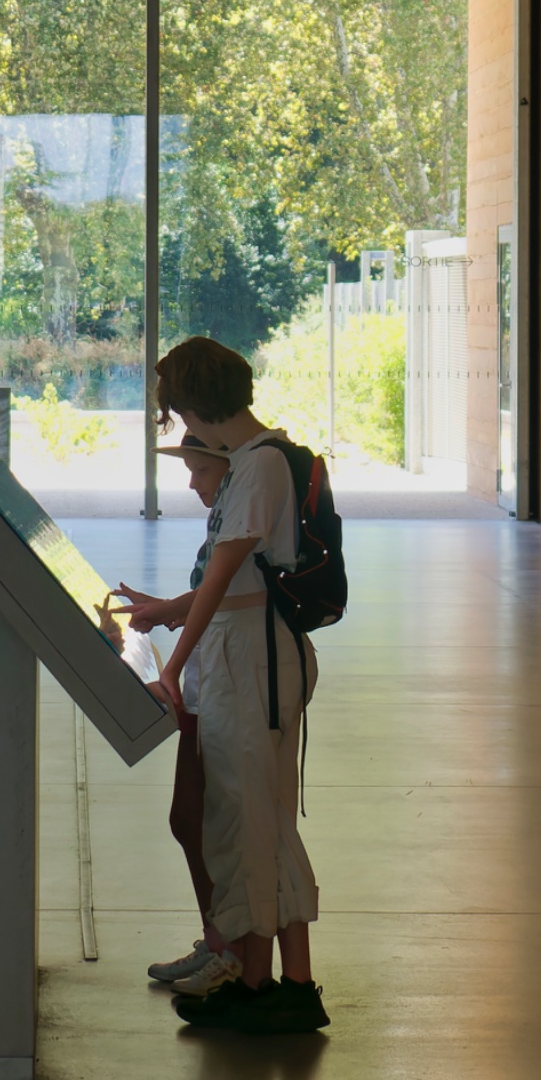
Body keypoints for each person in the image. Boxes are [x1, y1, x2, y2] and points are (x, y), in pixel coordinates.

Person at [136, 336, 329, 1035]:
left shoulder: (258, 465)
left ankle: (282, 988)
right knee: (253, 823)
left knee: (255, 824)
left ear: (195, 403)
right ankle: (266, 981)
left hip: (252, 663)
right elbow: (235, 580)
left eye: (180, 409)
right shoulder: (257, 461)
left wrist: (172, 663)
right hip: (247, 655)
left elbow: (222, 578)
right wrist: (169, 614)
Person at [117, 435, 240, 997]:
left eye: (200, 471)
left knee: (200, 818)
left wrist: (166, 619)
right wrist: (161, 607)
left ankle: (229, 948)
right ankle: (219, 939)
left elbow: (227, 590)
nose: (192, 483)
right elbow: (213, 592)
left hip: (221, 683)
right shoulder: (226, 517)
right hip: (204, 682)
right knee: (188, 817)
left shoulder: (242, 514)